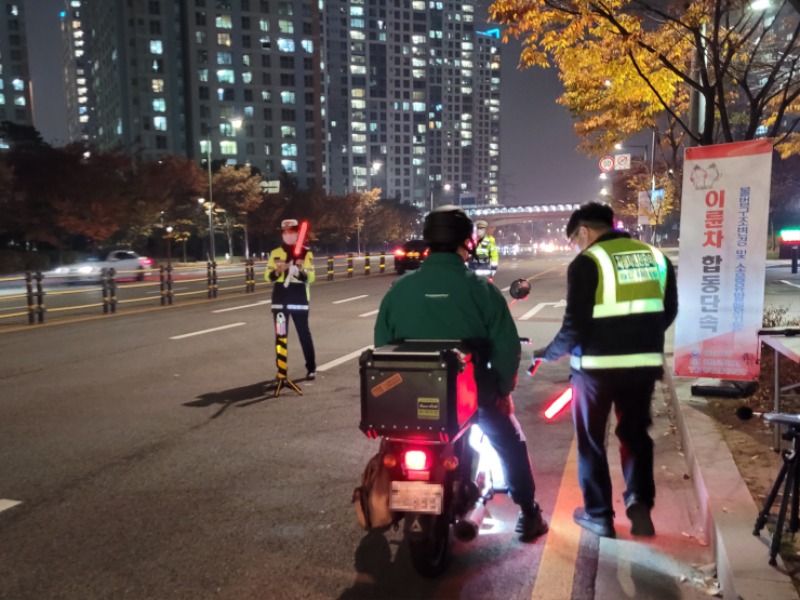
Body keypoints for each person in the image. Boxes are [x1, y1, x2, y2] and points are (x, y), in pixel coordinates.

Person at [374, 205, 548, 542]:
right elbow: (506, 345)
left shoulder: (400, 289)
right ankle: (528, 512)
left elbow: (382, 343)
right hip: (472, 396)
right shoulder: (480, 289)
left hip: (409, 397)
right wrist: (503, 391)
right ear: (467, 242)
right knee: (510, 442)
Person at [532, 202, 678, 539]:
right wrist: (639, 338)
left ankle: (599, 515)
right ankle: (640, 503)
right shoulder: (656, 258)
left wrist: (549, 353)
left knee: (591, 443)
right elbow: (667, 311)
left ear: (583, 230)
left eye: (574, 240)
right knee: (635, 435)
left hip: (595, 371)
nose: (576, 246)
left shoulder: (587, 262)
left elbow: (574, 326)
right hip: (641, 366)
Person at [265, 219, 317, 379]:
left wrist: (299, 274)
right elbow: (267, 276)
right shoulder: (275, 253)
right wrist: (277, 273)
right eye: (285, 232)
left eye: (292, 232)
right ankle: (281, 370)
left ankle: (311, 367)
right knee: (281, 336)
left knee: (304, 334)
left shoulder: (306, 253)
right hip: (280, 303)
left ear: (297, 234)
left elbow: (312, 277)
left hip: (299, 301)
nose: (288, 235)